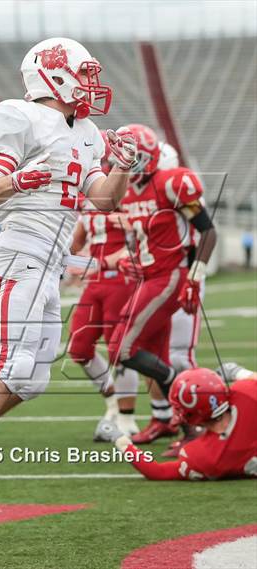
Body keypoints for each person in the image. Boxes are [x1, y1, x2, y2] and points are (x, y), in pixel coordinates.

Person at [0, 37, 138, 536]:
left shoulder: (88, 133)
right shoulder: (17, 115)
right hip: (22, 249)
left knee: (33, 379)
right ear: (54, 76)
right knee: (13, 363)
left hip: (53, 258)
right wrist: (25, 178)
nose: (91, 85)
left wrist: (122, 166)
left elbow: (102, 200)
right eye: (84, 74)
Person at [106, 124, 217, 444]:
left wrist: (194, 276)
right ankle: (188, 430)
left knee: (121, 348)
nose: (125, 161)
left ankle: (177, 388)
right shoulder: (125, 189)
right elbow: (147, 238)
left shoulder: (172, 183)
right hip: (148, 276)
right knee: (157, 351)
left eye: (131, 156)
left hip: (169, 277)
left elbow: (208, 232)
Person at [68, 133, 140, 439]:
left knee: (118, 351)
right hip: (95, 283)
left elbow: (147, 238)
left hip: (121, 281)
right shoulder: (91, 202)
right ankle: (112, 401)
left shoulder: (132, 200)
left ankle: (127, 418)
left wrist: (118, 257)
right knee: (79, 348)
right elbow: (77, 243)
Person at [112, 367, 257, 480]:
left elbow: (157, 471)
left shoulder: (204, 456)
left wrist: (123, 444)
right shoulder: (246, 393)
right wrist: (238, 372)